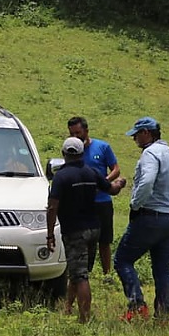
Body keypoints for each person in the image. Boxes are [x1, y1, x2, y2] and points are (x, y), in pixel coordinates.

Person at [47, 137, 127, 323]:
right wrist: (121, 183)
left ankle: (84, 319)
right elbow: (112, 190)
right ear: (82, 153)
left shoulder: (61, 177)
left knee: (79, 275)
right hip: (94, 229)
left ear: (64, 154)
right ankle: (68, 308)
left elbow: (52, 207)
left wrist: (50, 234)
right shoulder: (91, 172)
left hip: (75, 232)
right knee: (78, 270)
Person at [114, 117, 169, 323]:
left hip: (151, 216)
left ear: (147, 133)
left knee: (123, 260)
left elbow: (146, 181)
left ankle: (137, 305)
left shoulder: (150, 154)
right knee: (162, 270)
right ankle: (163, 315)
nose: (134, 138)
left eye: (136, 134)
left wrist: (135, 204)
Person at [67, 116, 121, 279]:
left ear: (86, 131)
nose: (75, 137)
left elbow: (116, 169)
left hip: (102, 201)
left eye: (78, 133)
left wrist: (103, 183)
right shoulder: (72, 151)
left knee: (104, 240)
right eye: (72, 134)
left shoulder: (103, 147)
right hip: (81, 204)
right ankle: (85, 273)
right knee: (83, 240)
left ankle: (107, 274)